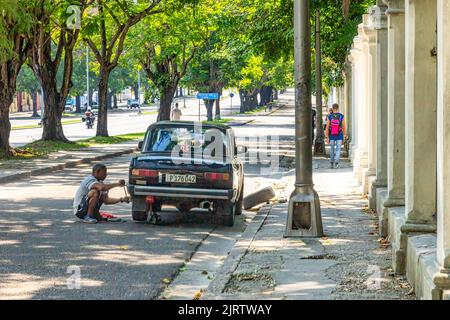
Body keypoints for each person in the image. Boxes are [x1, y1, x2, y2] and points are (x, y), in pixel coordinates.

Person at [325, 104, 347, 169]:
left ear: (332, 108)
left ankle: (331, 163)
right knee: (338, 149)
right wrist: (345, 135)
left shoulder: (330, 116)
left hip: (331, 135)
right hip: (339, 135)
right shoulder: (341, 116)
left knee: (331, 149)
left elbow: (327, 127)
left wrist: (327, 136)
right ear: (338, 108)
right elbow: (344, 126)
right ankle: (336, 163)